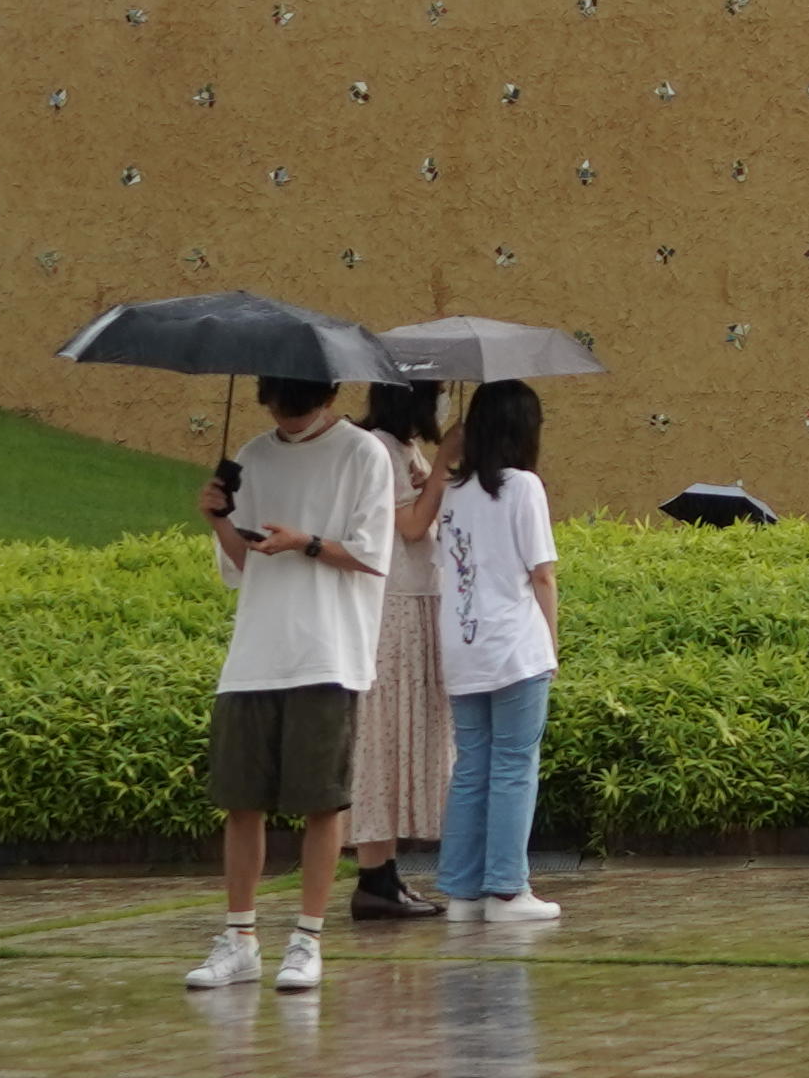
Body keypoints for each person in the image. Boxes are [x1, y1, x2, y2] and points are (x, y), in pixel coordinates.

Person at [189, 372, 401, 998]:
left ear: (329, 396)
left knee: (321, 802)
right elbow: (241, 562)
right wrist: (220, 520)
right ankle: (239, 940)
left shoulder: (364, 454)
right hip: (255, 651)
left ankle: (307, 941)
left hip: (328, 651)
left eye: (297, 403)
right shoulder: (252, 456)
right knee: (241, 799)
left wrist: (303, 542)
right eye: (276, 404)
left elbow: (372, 554)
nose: (285, 414)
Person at [432, 379, 563, 924]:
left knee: (472, 768)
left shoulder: (451, 489)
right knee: (514, 766)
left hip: (463, 648)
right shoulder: (524, 486)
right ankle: (508, 892)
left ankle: (463, 894)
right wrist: (552, 646)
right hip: (514, 648)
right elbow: (543, 575)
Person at [343, 384, 454, 919]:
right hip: (394, 610)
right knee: (383, 737)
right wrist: (441, 470)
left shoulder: (403, 448)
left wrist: (436, 475)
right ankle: (374, 875)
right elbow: (410, 526)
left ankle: (385, 875)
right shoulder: (380, 449)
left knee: (395, 736)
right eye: (436, 396)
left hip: (415, 602)